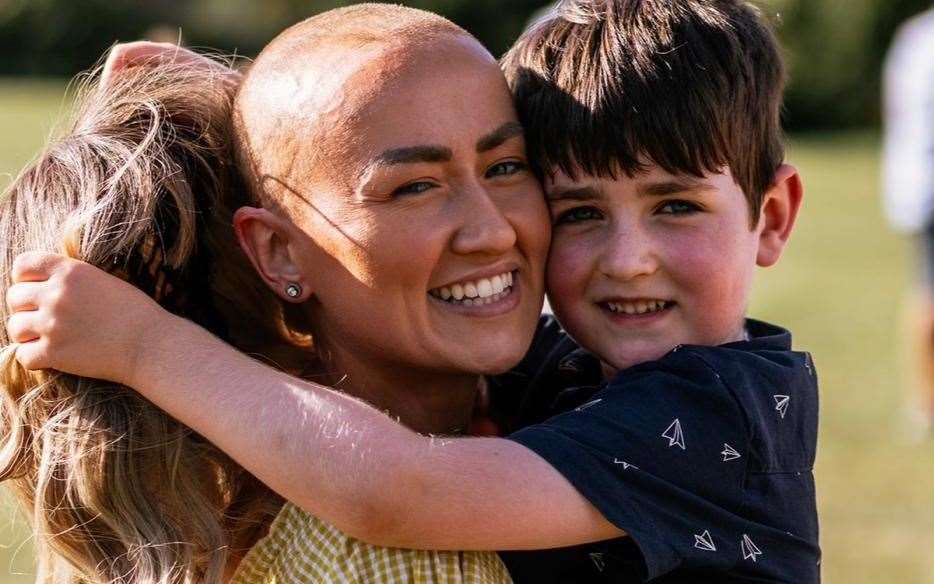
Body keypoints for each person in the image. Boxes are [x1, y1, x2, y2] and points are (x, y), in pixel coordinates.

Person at [7, 0, 820, 582]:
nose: (629, 260)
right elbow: (376, 131)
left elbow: (391, 489)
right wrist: (260, 104)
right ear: (277, 249)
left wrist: (146, 347)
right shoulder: (573, 363)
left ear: (772, 216)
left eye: (676, 206)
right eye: (577, 211)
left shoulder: (720, 411)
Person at [0, 4, 549, 583]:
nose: (494, 231)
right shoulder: (407, 563)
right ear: (278, 252)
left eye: (507, 167)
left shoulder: (229, 488)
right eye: (414, 187)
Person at [881, 6, 934, 434]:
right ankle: (925, 401)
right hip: (928, 189)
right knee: (929, 296)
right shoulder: (921, 41)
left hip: (918, 185)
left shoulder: (915, 38)